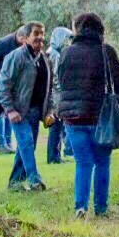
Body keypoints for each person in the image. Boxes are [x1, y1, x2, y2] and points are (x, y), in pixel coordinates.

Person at [51, 12, 119, 218]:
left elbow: (61, 80)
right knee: (102, 161)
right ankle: (101, 208)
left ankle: (80, 206)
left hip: (72, 117)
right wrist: (117, 100)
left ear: (77, 29)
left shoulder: (66, 53)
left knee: (83, 161)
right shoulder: (106, 51)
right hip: (99, 115)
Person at [0, 22, 52, 191]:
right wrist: (10, 110)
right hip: (18, 111)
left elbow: (51, 88)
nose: (40, 37)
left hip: (35, 111)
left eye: (42, 33)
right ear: (26, 38)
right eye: (36, 34)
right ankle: (35, 180)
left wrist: (50, 111)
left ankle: (15, 183)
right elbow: (2, 86)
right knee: (26, 142)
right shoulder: (15, 57)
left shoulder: (44, 60)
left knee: (26, 146)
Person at [0, 26, 26, 153]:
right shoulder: (4, 43)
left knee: (9, 113)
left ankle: (9, 143)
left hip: (12, 84)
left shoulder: (20, 45)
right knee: (0, 113)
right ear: (20, 36)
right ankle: (1, 144)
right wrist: (0, 75)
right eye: (24, 40)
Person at [44, 26, 73, 164]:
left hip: (56, 94)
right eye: (67, 39)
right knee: (56, 126)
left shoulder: (53, 52)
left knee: (58, 126)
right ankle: (53, 156)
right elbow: (56, 77)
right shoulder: (54, 55)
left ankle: (56, 155)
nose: (68, 43)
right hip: (57, 96)